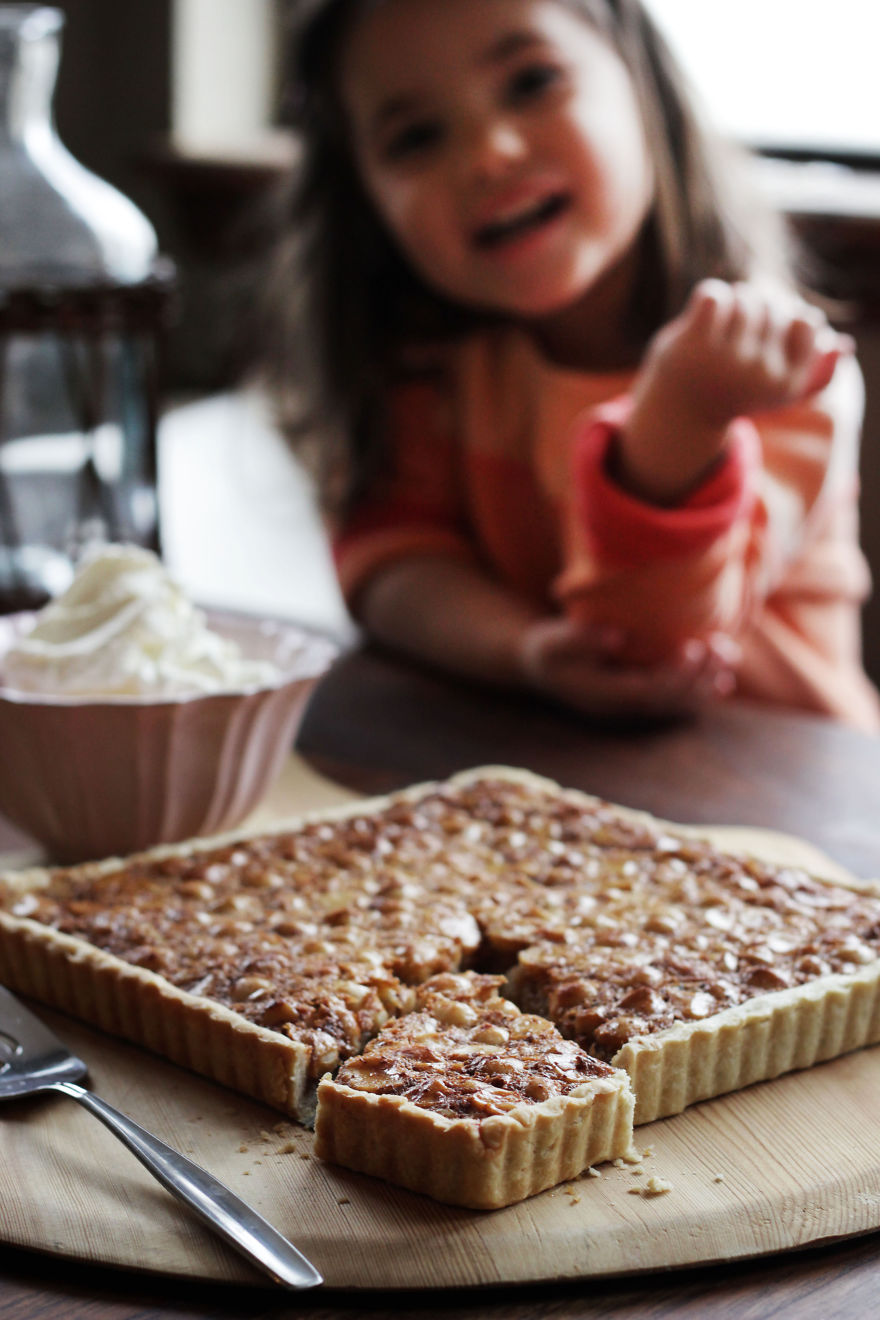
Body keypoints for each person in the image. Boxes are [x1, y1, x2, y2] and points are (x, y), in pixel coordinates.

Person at [262, 0, 880, 731]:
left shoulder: (774, 365)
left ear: (643, 85)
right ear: (363, 202)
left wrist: (680, 419)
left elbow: (657, 644)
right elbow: (394, 565)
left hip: (794, 795)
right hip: (546, 772)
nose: (489, 153)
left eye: (531, 83)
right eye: (417, 136)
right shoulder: (432, 369)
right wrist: (527, 652)